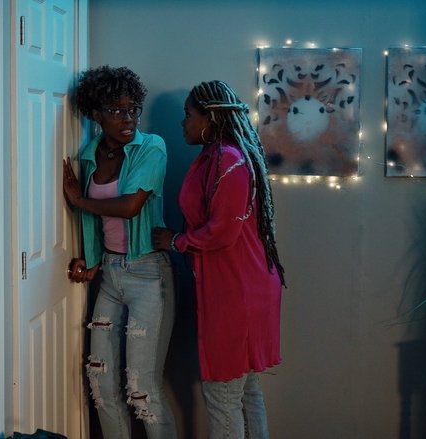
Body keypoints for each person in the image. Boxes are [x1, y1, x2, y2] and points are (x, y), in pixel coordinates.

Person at [153, 80, 285, 439]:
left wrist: (176, 241)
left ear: (209, 118)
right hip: (244, 285)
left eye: (188, 115)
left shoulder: (228, 159)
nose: (183, 123)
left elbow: (222, 232)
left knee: (223, 395)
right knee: (245, 391)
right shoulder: (221, 156)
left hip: (237, 291)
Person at [63, 65, 176, 439]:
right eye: (116, 110)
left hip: (148, 274)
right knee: (100, 381)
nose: (128, 118)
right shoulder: (88, 155)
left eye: (133, 109)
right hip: (110, 276)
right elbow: (95, 222)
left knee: (143, 390)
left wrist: (79, 199)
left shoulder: (151, 147)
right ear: (96, 114)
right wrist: (91, 258)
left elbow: (130, 207)